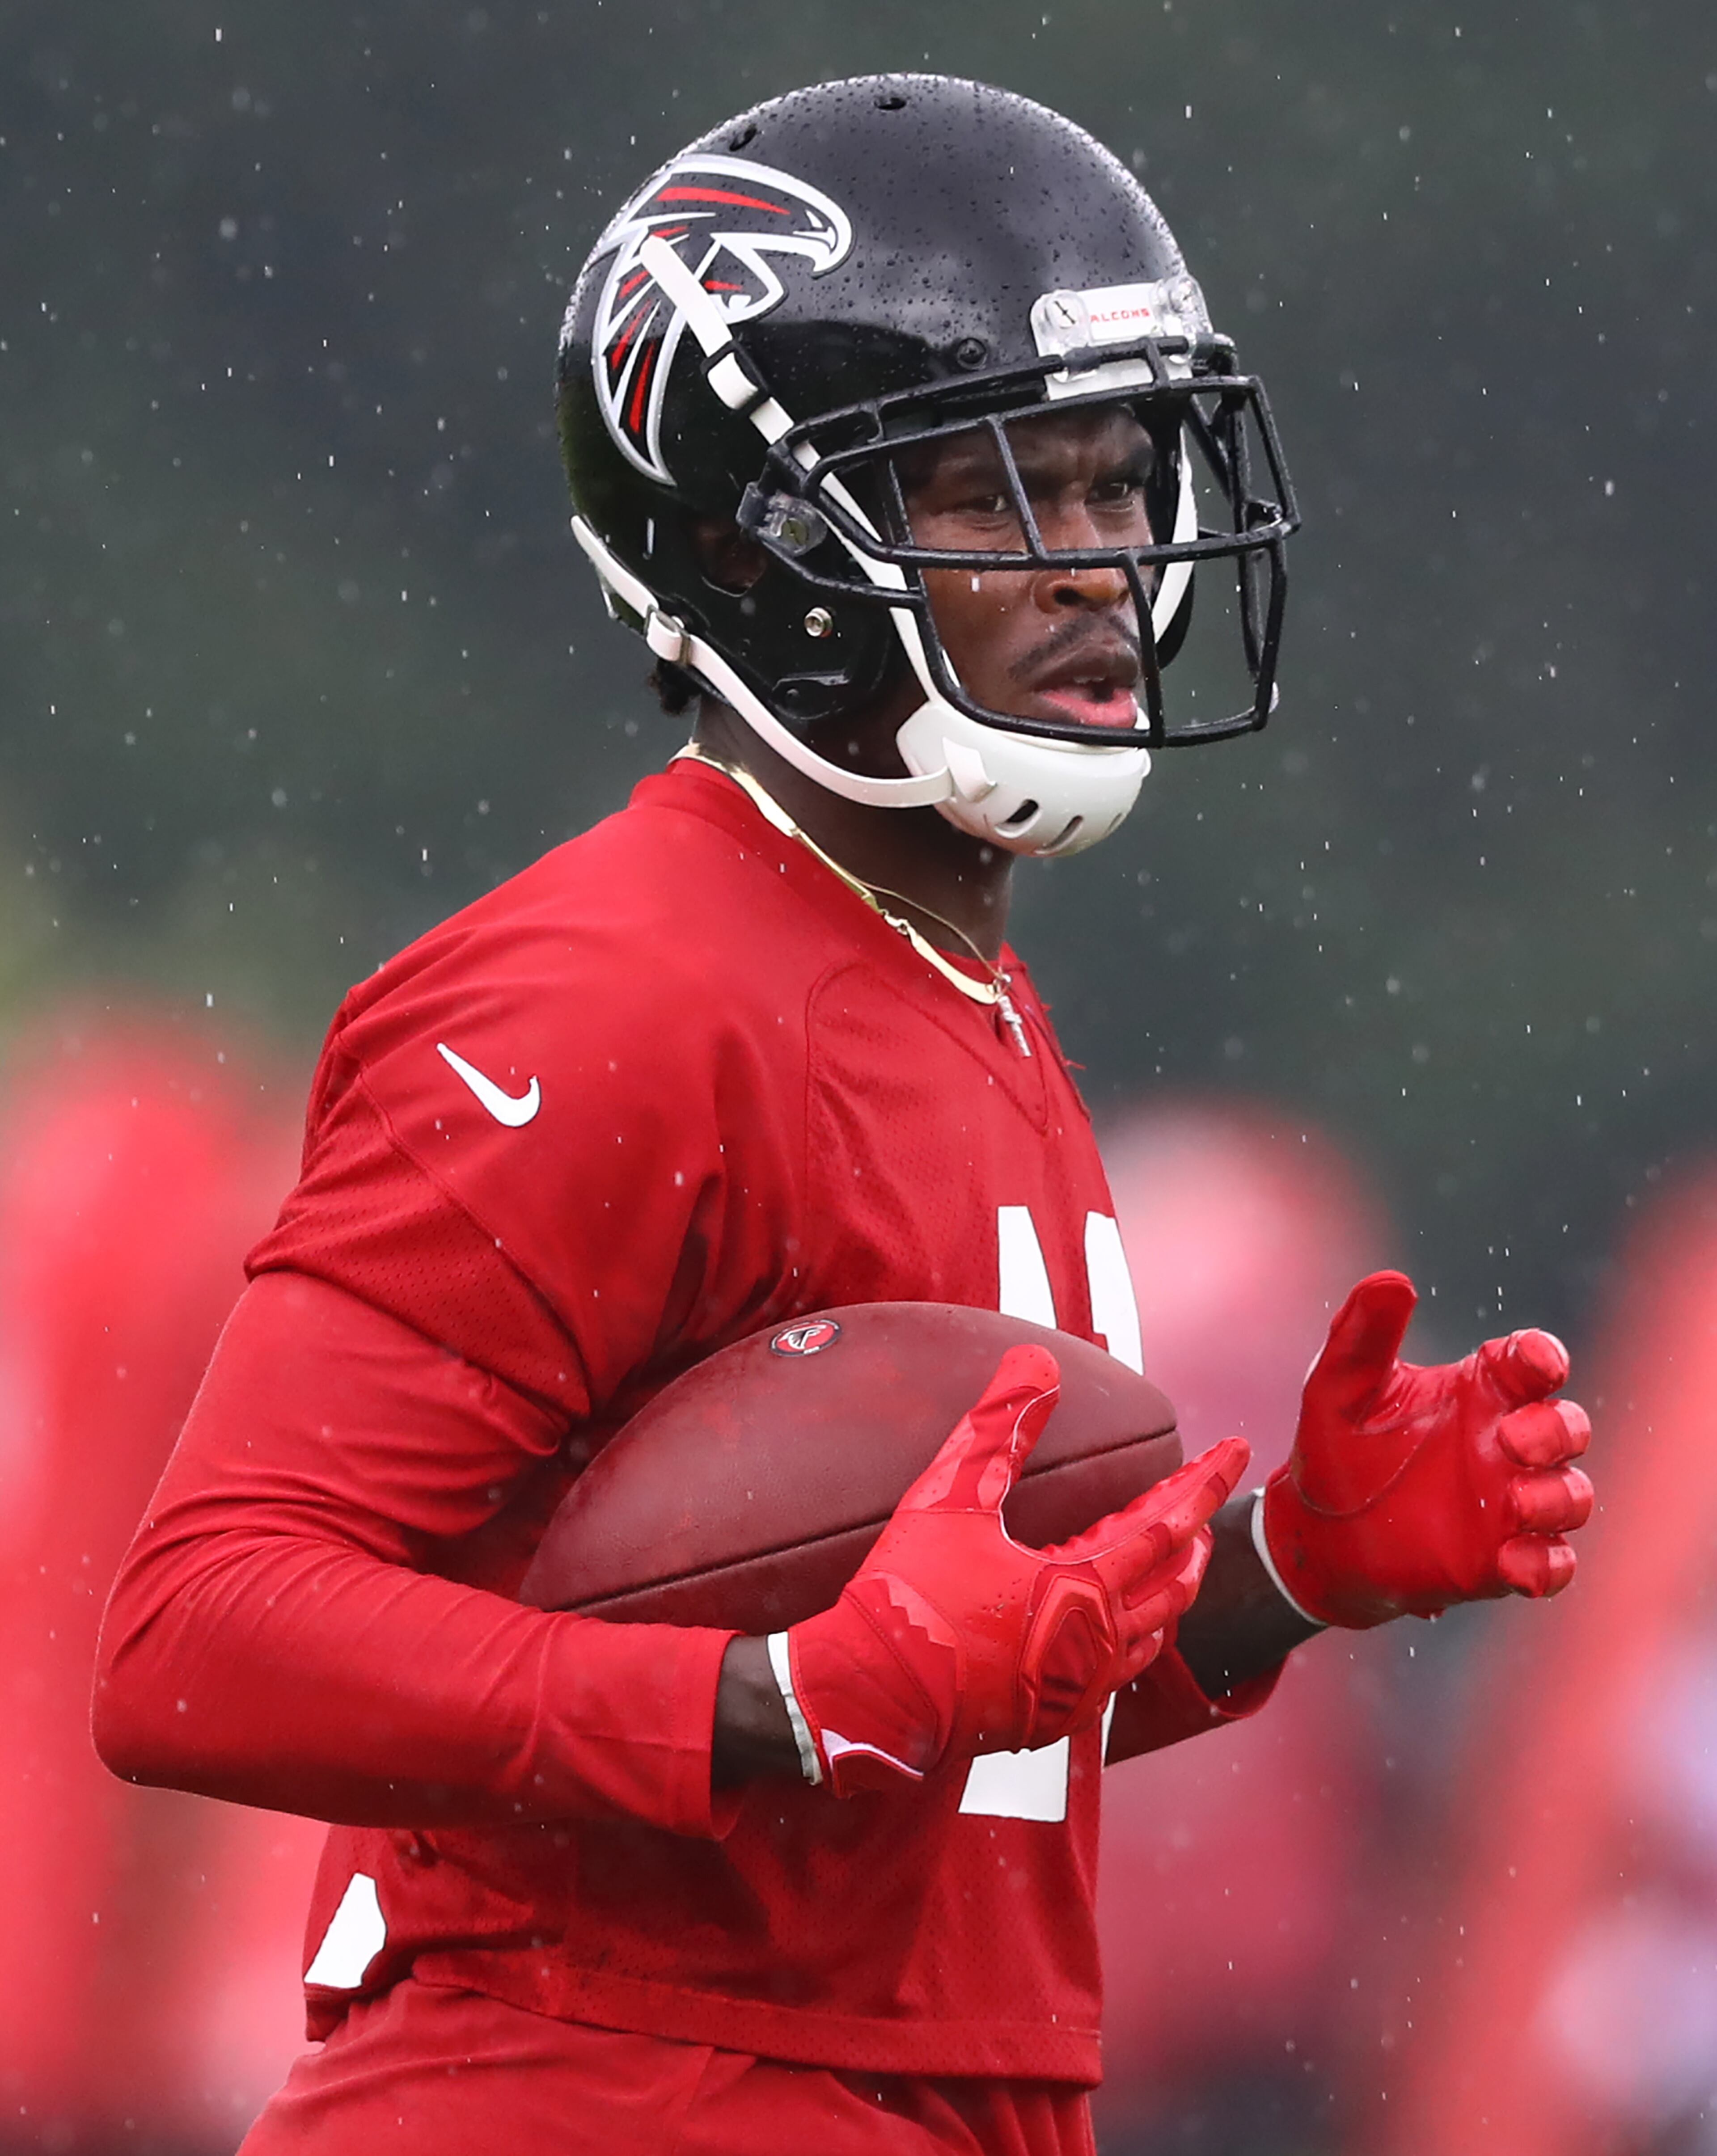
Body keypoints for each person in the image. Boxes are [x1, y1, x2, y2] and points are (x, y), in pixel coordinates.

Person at [93, 76, 1594, 2156]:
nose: (1098, 566)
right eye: (998, 498)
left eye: (1119, 482)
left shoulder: (951, 980)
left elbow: (936, 1736)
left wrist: (1283, 1567)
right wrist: (781, 1700)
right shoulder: (618, 985)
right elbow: (200, 1640)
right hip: (594, 2100)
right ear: (749, 551)